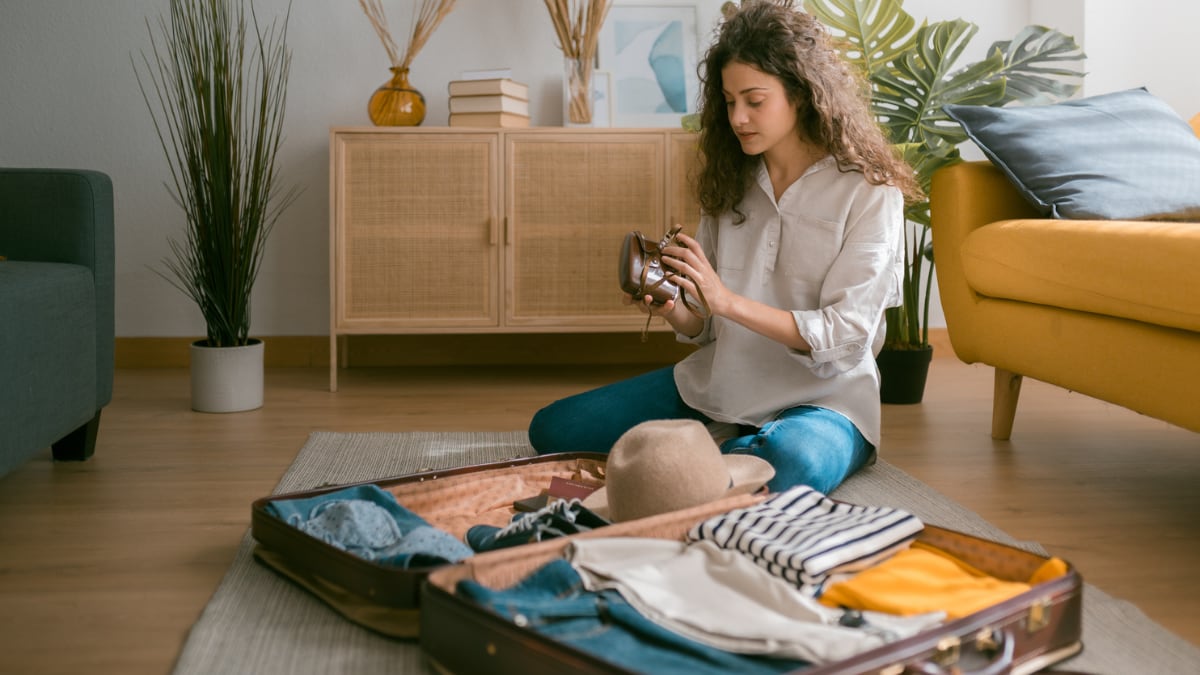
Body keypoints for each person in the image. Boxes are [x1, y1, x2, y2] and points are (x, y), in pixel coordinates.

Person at [528, 0, 922, 494]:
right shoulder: (730, 181)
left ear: (801, 93)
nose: (738, 118)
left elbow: (847, 336)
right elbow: (705, 324)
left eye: (755, 101)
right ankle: (722, 455)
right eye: (729, 100)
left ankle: (705, 460)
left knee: (791, 460)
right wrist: (675, 305)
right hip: (720, 385)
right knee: (554, 429)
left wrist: (726, 299)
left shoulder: (870, 193)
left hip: (824, 402)